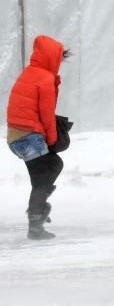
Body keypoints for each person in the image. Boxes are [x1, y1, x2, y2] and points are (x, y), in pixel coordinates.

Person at [6, 35, 70, 240]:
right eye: (58, 59)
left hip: (16, 136)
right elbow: (47, 114)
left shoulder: (29, 72)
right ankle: (35, 223)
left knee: (47, 170)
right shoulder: (45, 78)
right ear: (51, 57)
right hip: (29, 135)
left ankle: (38, 208)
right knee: (46, 174)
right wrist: (52, 140)